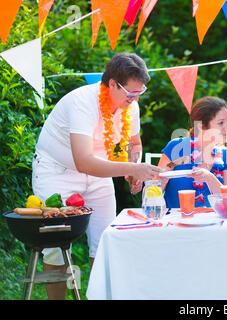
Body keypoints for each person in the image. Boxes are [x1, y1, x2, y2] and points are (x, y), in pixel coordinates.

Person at [32, 52, 162, 299]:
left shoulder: (129, 105)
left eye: (140, 93)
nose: (135, 99)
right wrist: (132, 169)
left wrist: (131, 164)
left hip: (99, 172)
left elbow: (134, 142)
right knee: (55, 249)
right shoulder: (83, 102)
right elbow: (84, 161)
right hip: (56, 172)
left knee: (105, 244)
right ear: (112, 84)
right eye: (131, 93)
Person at [158, 96, 227, 208]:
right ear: (201, 126)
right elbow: (152, 195)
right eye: (221, 123)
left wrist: (209, 177)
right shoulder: (176, 147)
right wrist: (162, 181)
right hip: (174, 222)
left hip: (214, 222)